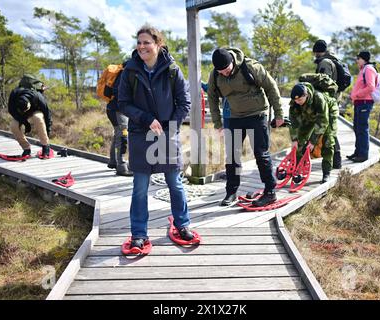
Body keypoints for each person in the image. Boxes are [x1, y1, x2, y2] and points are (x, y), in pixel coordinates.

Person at [117, 25, 196, 249]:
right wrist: (146, 119)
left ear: (158, 44)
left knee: (175, 183)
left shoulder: (172, 69)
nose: (142, 47)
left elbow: (185, 103)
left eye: (146, 43)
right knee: (140, 188)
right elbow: (123, 104)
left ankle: (182, 225)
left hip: (168, 134)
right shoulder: (130, 71)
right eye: (139, 42)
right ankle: (139, 234)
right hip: (140, 136)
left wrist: (169, 127)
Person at [207, 47, 284, 207]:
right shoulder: (215, 75)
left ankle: (270, 191)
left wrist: (279, 114)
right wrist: (218, 123)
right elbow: (212, 97)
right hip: (234, 117)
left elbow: (271, 87)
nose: (224, 73)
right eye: (220, 71)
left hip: (257, 114)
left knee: (260, 153)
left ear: (232, 62)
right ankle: (231, 192)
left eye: (226, 70)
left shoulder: (251, 67)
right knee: (232, 156)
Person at [289, 82, 339, 183]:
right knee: (299, 141)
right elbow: (293, 121)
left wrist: (313, 141)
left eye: (299, 100)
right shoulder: (295, 102)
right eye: (295, 100)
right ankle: (297, 170)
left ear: (306, 95)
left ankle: (326, 172)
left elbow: (323, 122)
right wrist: (294, 139)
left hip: (328, 113)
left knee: (328, 141)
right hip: (309, 116)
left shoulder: (319, 98)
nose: (297, 102)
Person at [312, 39, 342, 169]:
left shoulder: (325, 62)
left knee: (329, 130)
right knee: (329, 129)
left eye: (315, 52)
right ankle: (333, 160)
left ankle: (336, 160)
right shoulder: (330, 60)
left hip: (328, 101)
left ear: (317, 51)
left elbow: (324, 82)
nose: (314, 55)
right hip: (332, 99)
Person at [8, 75, 52, 158]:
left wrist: (48, 131)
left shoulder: (38, 96)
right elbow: (11, 111)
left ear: (29, 104)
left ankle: (46, 147)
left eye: (25, 109)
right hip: (21, 114)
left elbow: (47, 114)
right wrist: (25, 123)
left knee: (37, 118)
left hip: (35, 111)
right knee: (13, 125)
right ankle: (26, 148)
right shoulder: (14, 95)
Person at [348, 51, 376, 163]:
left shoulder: (369, 69)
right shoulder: (363, 69)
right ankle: (358, 152)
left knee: (362, 128)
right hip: (359, 102)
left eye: (358, 58)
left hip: (365, 102)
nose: (356, 60)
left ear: (364, 59)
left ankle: (363, 155)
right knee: (357, 127)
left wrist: (356, 95)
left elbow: (371, 87)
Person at [106, 63, 132, 176]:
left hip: (114, 109)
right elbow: (117, 92)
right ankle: (121, 167)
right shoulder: (123, 74)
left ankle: (113, 161)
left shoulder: (124, 73)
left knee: (118, 134)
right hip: (117, 110)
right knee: (123, 136)